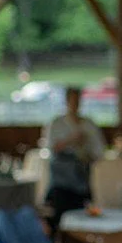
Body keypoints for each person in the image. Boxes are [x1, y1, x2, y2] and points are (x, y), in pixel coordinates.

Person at [42, 86, 106, 231]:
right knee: (58, 217)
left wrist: (85, 154)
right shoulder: (56, 124)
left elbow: (99, 152)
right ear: (66, 101)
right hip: (60, 182)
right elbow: (50, 148)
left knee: (83, 217)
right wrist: (70, 141)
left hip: (82, 180)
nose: (75, 103)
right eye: (72, 100)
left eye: (77, 100)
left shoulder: (88, 125)